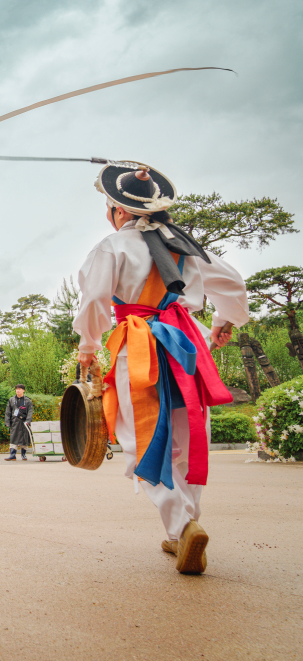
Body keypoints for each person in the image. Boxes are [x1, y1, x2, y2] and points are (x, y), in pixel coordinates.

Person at [74, 163, 247, 575]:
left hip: (139, 344)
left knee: (143, 440)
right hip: (188, 342)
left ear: (118, 209)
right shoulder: (186, 246)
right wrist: (223, 321)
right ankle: (184, 527)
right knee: (189, 434)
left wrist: (88, 345)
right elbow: (234, 285)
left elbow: (95, 298)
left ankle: (183, 527)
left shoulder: (113, 247)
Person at [4, 385, 34, 461]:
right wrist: (7, 422)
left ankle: (23, 455)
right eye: (17, 389)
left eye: (19, 389)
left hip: (24, 422)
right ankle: (12, 455)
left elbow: (30, 412)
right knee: (13, 438)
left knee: (24, 439)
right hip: (14, 422)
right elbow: (8, 412)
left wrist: (28, 421)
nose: (18, 390)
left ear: (23, 390)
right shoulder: (11, 400)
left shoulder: (28, 401)